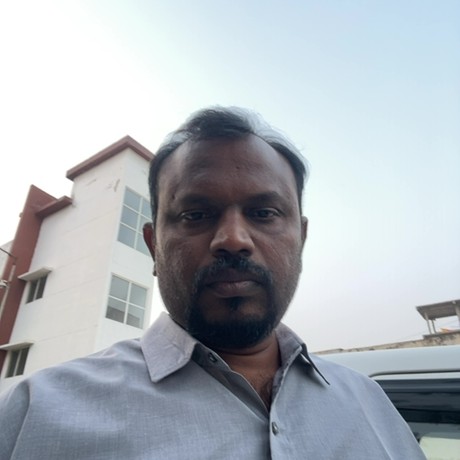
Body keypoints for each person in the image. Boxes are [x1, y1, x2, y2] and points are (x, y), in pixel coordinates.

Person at [0, 107, 425, 459]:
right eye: (195, 215)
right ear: (153, 246)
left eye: (264, 213)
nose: (234, 240)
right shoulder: (32, 416)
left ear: (301, 239)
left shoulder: (371, 405)